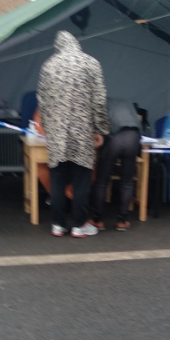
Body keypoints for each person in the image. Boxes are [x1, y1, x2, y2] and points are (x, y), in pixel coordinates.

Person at [36, 30, 109, 237]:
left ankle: (57, 224)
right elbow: (99, 100)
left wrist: (48, 129)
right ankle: (79, 225)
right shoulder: (90, 63)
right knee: (81, 180)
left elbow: (42, 101)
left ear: (58, 46)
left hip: (57, 134)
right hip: (82, 132)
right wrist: (101, 129)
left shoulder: (48, 65)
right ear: (76, 44)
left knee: (57, 179)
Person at [90, 97, 142, 232]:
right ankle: (122, 221)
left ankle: (98, 220)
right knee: (127, 182)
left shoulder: (99, 103)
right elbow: (139, 119)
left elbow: (97, 128)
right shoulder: (128, 102)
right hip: (133, 137)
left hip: (114, 138)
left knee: (102, 182)